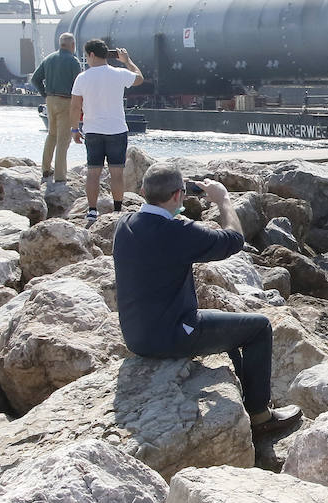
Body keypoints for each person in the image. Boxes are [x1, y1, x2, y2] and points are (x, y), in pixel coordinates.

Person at [112, 161, 303, 433]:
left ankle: (246, 395)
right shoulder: (177, 232)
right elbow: (234, 239)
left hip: (136, 336)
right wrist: (223, 199)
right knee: (259, 328)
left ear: (143, 190)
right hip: (170, 336)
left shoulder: (125, 224)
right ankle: (260, 416)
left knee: (230, 331)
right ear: (179, 195)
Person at [70, 39, 142, 224]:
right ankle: (118, 209)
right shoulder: (119, 74)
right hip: (117, 129)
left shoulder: (82, 77)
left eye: (86, 55)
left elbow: (75, 106)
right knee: (116, 173)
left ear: (91, 55)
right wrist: (127, 61)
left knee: (93, 172)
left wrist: (74, 129)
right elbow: (139, 78)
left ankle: (92, 211)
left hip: (93, 130)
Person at [31, 33, 82, 184]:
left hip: (50, 100)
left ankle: (46, 169)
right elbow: (79, 85)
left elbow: (35, 79)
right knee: (63, 140)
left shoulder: (49, 58)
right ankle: (60, 176)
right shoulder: (73, 62)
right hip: (65, 101)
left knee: (51, 135)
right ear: (72, 45)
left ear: (60, 44)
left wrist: (45, 93)